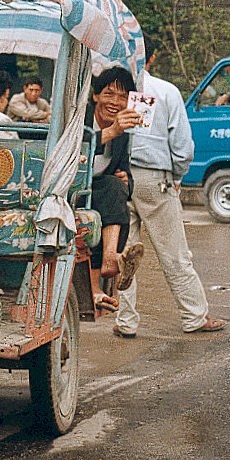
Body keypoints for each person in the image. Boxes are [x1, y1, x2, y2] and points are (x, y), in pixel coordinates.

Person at [113, 39, 227, 337]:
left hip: (117, 177)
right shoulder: (164, 91)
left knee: (124, 252)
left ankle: (125, 322)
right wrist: (177, 176)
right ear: (151, 57)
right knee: (174, 252)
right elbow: (183, 147)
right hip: (153, 179)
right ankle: (194, 315)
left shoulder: (110, 92)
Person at [85, 66, 145, 313]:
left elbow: (125, 172)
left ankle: (111, 258)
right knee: (110, 189)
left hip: (99, 193)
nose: (116, 102)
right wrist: (111, 131)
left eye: (123, 97)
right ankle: (109, 263)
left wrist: (126, 181)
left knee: (116, 188)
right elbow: (74, 148)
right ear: (95, 96)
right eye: (109, 94)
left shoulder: (123, 133)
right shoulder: (79, 117)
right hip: (69, 187)